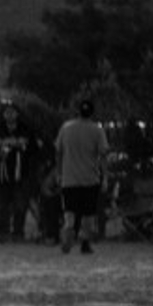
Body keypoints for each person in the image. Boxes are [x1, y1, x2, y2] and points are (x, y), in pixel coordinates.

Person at [54, 99, 109, 255]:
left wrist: (59, 173)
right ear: (92, 113)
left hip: (69, 179)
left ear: (77, 111)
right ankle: (85, 242)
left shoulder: (66, 128)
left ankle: (68, 232)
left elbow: (58, 152)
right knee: (88, 214)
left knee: (70, 211)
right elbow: (103, 154)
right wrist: (105, 177)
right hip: (90, 179)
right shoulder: (97, 130)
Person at [0, 104, 41, 242]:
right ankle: (2, 232)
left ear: (17, 114)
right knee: (1, 204)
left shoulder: (26, 130)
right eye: (7, 113)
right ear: (3, 115)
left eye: (12, 113)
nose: (10, 115)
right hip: (2, 173)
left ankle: (18, 231)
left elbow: (34, 150)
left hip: (21, 173)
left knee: (20, 203)